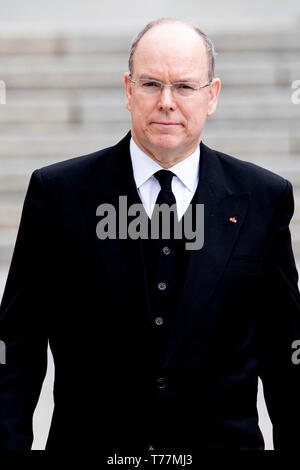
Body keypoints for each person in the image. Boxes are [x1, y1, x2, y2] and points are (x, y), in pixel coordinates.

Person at [0, 17, 300, 456]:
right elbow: (16, 351)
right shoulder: (58, 194)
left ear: (211, 96)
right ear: (127, 90)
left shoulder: (263, 198)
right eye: (150, 84)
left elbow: (286, 356)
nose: (166, 102)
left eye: (184, 87)